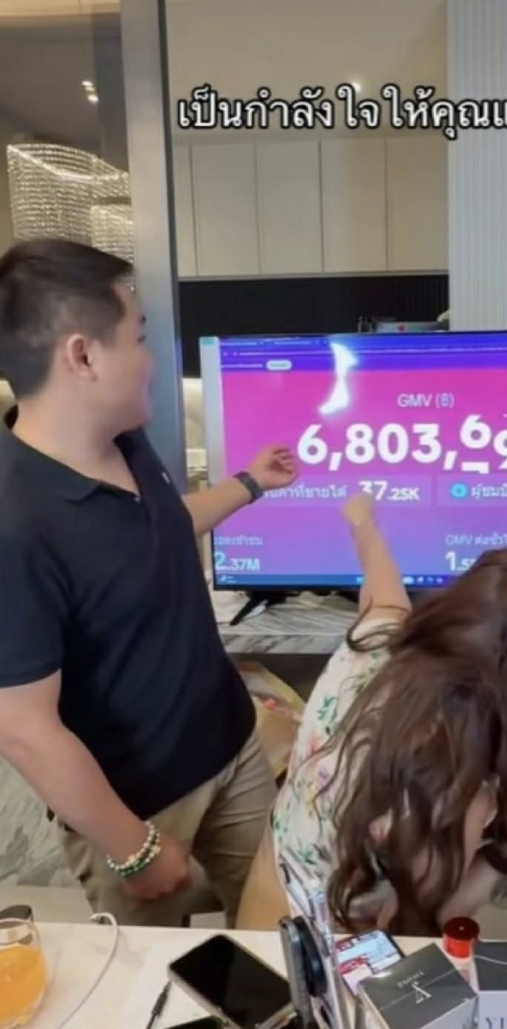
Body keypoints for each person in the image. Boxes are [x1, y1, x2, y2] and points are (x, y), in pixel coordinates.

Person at [0, 238, 297, 926]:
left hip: (233, 747)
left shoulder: (125, 443)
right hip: (138, 807)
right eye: (137, 337)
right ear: (82, 356)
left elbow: (158, 529)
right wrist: (132, 847)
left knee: (283, 931)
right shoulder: (17, 525)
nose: (152, 360)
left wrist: (250, 483)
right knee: (154, 974)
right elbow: (22, 728)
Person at [237, 492, 507, 934]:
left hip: (270, 883)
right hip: (333, 945)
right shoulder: (456, 793)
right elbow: (413, 927)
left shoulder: (372, 649)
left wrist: (362, 522)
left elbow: (383, 590)